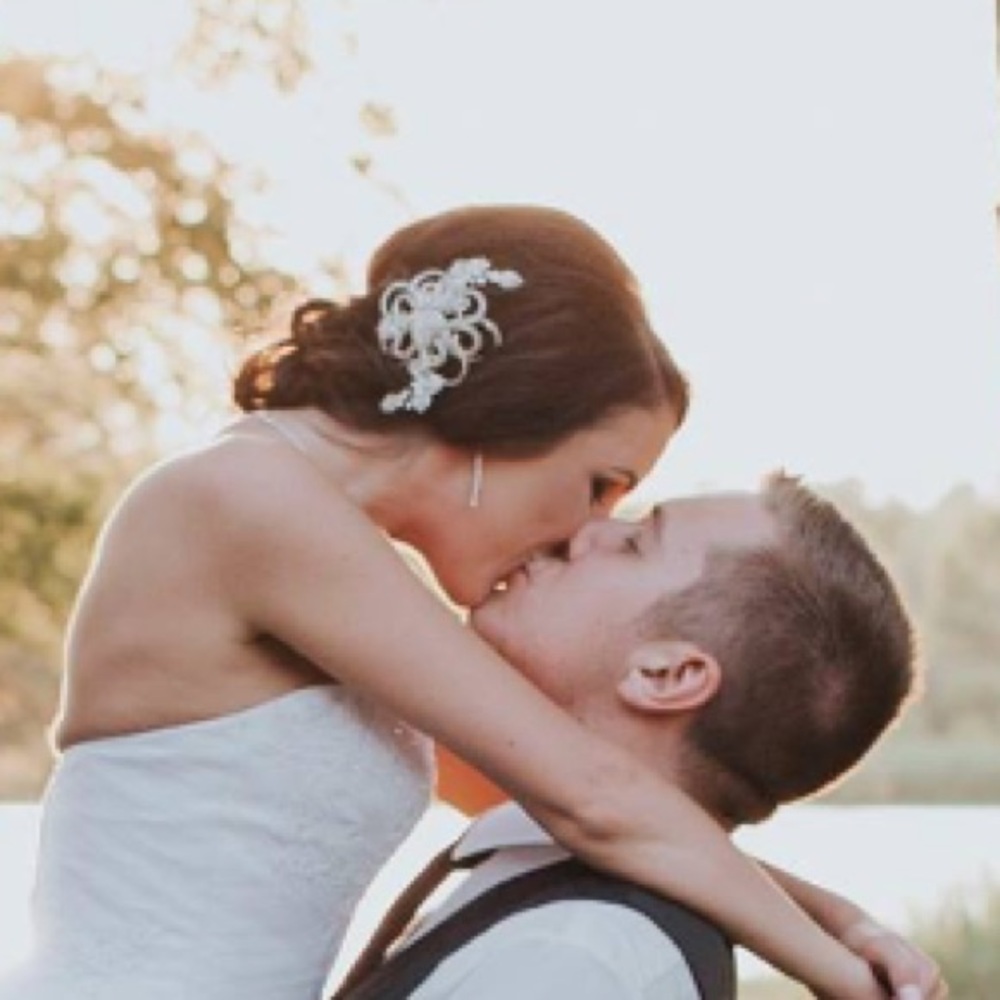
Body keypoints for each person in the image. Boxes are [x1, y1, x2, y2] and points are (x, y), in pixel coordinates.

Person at [0, 205, 898, 1000]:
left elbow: (568, 807)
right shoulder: (246, 501)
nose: (583, 531)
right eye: (599, 484)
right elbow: (592, 795)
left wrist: (828, 914)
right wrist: (836, 971)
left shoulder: (335, 566)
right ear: (508, 417)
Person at [332, 477, 945, 1000]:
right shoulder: (552, 877)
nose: (583, 528)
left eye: (631, 543)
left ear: (666, 675)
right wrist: (836, 920)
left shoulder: (577, 958)